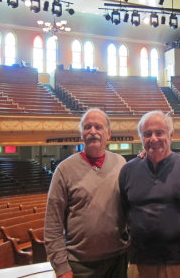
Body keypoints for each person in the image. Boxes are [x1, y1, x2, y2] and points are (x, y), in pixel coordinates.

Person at [118, 110, 180, 278]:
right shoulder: (128, 170)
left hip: (179, 259)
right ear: (141, 138)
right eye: (147, 133)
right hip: (140, 260)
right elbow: (125, 210)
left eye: (159, 132)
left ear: (171, 135)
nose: (153, 138)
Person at [44, 108, 129, 278]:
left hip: (118, 260)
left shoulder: (121, 163)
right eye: (87, 127)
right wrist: (61, 267)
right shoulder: (64, 170)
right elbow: (53, 224)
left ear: (108, 134)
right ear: (81, 134)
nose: (93, 131)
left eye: (98, 127)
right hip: (80, 265)